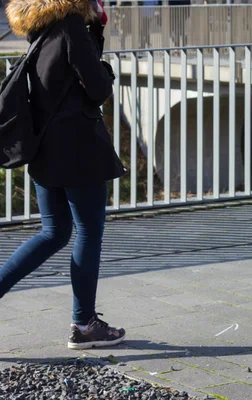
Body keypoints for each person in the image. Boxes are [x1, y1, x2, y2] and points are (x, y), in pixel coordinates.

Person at [2, 0, 127, 350]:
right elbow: (98, 89)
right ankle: (85, 324)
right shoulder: (72, 26)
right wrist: (98, 44)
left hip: (45, 148)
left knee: (53, 232)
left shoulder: (41, 29)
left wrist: (94, 33)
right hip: (78, 148)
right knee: (87, 231)